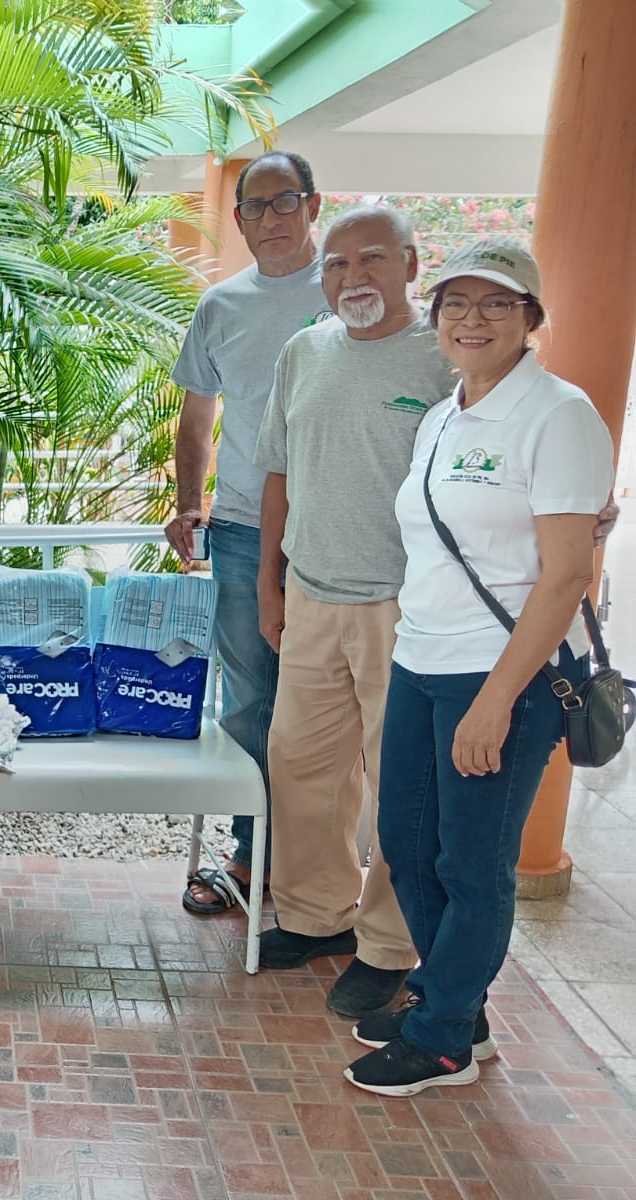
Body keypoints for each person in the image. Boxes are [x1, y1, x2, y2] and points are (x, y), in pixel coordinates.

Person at [345, 239, 614, 1096]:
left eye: (498, 303)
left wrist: (497, 700)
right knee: (407, 847)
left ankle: (445, 1041)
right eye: (456, 303)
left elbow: (568, 570)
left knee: (472, 861)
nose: (473, 319)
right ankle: (457, 1000)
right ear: (435, 320)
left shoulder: (558, 413)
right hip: (421, 658)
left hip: (503, 676)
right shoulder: (444, 416)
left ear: (531, 319)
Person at [251, 205, 455, 1018]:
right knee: (300, 764)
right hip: (311, 594)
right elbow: (277, 475)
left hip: (403, 609)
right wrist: (270, 587)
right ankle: (313, 916)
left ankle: (388, 945)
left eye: (370, 260)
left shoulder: (444, 360)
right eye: (335, 265)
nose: (351, 278)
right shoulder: (304, 352)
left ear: (411, 263)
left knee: (399, 784)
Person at [165, 150, 335, 915]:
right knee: (250, 700)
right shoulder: (220, 306)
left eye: (284, 202)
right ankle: (251, 854)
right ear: (237, 219)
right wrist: (186, 503)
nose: (270, 218)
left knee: (340, 702)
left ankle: (324, 867)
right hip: (237, 527)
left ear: (312, 205)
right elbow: (197, 420)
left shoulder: (349, 291)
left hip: (342, 534)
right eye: (255, 206)